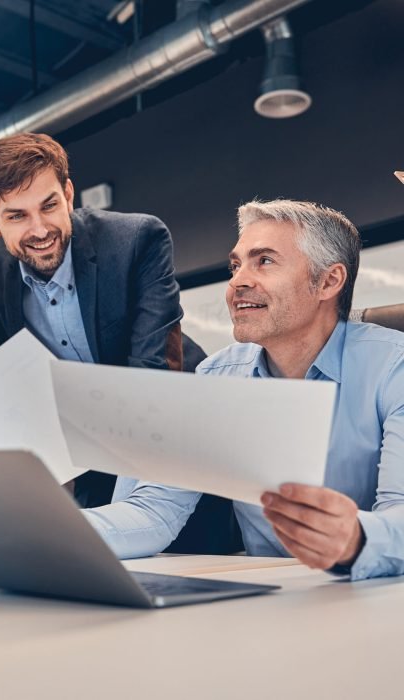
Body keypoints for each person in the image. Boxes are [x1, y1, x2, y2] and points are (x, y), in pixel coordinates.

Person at [86, 199, 404, 580]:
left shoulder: (393, 368)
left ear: (328, 281)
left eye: (264, 261)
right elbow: (153, 511)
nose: (237, 281)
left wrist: (353, 538)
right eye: (236, 265)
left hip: (379, 596)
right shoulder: (218, 376)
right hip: (271, 598)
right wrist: (48, 529)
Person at [0, 133, 183, 509]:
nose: (39, 230)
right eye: (17, 216)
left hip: (168, 436)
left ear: (68, 195)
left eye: (49, 206)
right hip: (80, 453)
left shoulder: (137, 240)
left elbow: (151, 372)